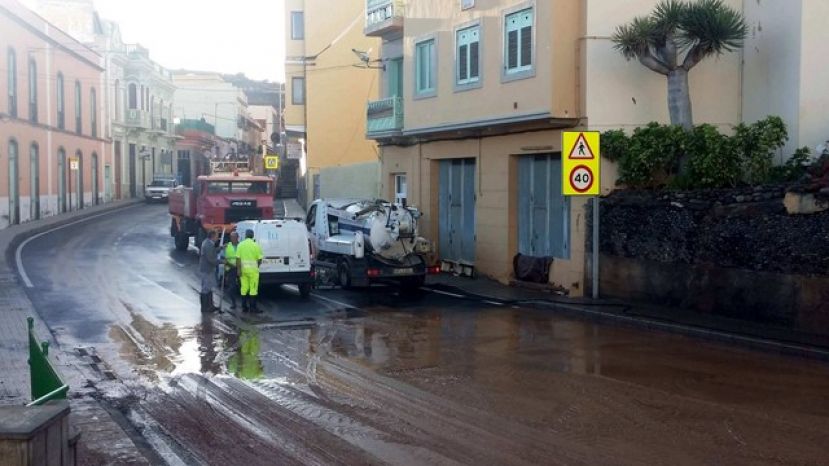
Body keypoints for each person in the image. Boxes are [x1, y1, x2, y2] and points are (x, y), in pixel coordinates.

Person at [236, 229, 263, 313]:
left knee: (244, 288)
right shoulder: (256, 245)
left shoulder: (240, 245)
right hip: (253, 271)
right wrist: (256, 266)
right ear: (253, 235)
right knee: (253, 289)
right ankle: (253, 308)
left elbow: (238, 258)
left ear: (245, 235)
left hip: (243, 271)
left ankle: (244, 307)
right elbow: (259, 259)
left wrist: (238, 269)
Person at [199, 229, 219, 312]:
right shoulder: (208, 245)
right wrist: (222, 262)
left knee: (209, 287)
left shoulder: (209, 243)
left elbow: (213, 252)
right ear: (213, 236)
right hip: (207, 269)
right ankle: (205, 307)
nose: (217, 238)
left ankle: (210, 306)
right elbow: (211, 258)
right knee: (206, 288)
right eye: (217, 236)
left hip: (208, 268)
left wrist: (220, 248)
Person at [224, 232, 240, 309]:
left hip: (240, 268)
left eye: (234, 237)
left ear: (237, 238)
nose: (232, 239)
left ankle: (245, 305)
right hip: (230, 269)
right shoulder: (227, 246)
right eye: (231, 237)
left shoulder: (241, 246)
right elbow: (223, 257)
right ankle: (233, 303)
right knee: (231, 287)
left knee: (243, 287)